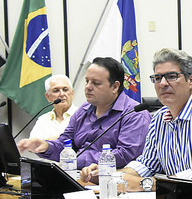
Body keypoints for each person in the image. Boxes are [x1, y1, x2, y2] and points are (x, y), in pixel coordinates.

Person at [80, 49, 192, 190]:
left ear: (191, 80)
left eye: (171, 76)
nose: (162, 84)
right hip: (180, 198)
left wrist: (145, 184)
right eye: (157, 78)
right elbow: (147, 164)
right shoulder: (160, 118)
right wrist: (110, 176)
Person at [17, 57, 151, 169]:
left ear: (115, 86)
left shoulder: (135, 113)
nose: (88, 87)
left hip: (116, 184)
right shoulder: (84, 110)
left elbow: (124, 156)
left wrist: (76, 160)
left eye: (96, 83)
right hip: (79, 177)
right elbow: (65, 144)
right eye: (87, 81)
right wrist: (46, 146)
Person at [28, 75, 79, 140]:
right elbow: (34, 145)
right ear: (48, 97)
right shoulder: (43, 119)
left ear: (72, 93)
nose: (62, 94)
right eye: (56, 90)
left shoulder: (82, 115)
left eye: (65, 90)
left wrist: (46, 142)